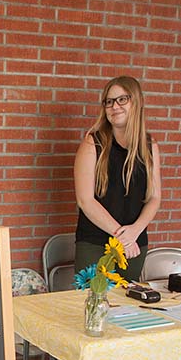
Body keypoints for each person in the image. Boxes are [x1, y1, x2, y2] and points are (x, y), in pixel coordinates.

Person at [73, 75, 162, 282]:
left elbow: (155, 198)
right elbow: (85, 200)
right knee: (92, 307)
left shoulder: (150, 146)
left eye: (122, 99)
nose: (115, 106)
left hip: (134, 247)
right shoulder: (92, 143)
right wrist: (122, 237)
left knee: (126, 308)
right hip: (95, 244)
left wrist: (133, 234)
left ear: (136, 102)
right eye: (109, 101)